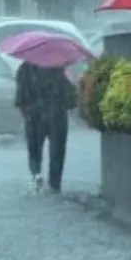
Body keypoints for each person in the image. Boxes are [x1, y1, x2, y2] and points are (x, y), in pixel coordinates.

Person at [15, 61, 77, 193]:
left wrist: (26, 115)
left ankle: (36, 174)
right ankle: (54, 184)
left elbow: (20, 98)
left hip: (34, 116)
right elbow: (71, 99)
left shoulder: (24, 69)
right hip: (57, 116)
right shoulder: (57, 68)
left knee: (34, 150)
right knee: (57, 152)